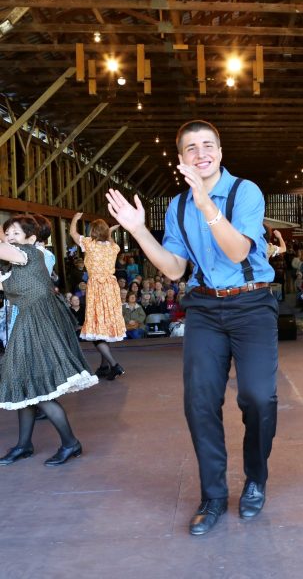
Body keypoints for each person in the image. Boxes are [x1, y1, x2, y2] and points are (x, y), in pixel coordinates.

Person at [106, 119, 278, 536]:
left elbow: (238, 252)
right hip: (204, 308)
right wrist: (138, 229)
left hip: (252, 302)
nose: (201, 153)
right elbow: (174, 269)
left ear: (220, 151)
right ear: (180, 158)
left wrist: (208, 206)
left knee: (257, 397)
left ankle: (255, 478)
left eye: (208, 146)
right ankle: (214, 495)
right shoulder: (178, 207)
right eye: (191, 149)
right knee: (199, 403)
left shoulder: (244, 193)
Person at [0, 215, 97, 466]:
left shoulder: (27, 253)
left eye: (16, 233)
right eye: (7, 233)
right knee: (25, 382)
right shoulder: (16, 261)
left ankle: (70, 443)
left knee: (40, 389)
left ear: (31, 239)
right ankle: (24, 445)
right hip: (31, 320)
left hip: (37, 322)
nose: (10, 237)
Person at [70, 214, 126, 381]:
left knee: (96, 328)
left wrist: (75, 219)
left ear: (93, 231)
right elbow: (108, 237)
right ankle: (104, 367)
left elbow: (73, 232)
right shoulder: (113, 247)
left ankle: (115, 365)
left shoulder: (89, 244)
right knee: (104, 327)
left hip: (97, 287)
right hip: (111, 287)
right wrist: (110, 230)